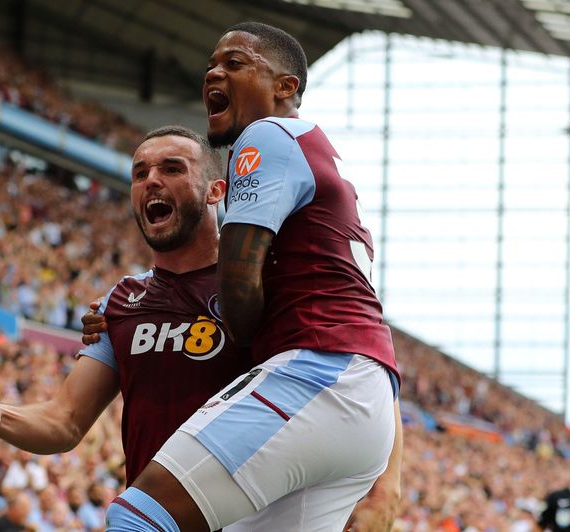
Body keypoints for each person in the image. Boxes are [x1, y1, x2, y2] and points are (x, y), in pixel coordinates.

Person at [0, 126, 402, 530]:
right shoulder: (121, 303)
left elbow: (356, 358)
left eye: (172, 168)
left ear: (215, 191)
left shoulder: (265, 281)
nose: (151, 180)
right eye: (139, 172)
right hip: (160, 519)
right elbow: (65, 420)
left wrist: (387, 486)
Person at [96, 22, 401, 531]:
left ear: (286, 86)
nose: (214, 71)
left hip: (320, 374)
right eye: (211, 64)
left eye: (234, 63)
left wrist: (176, 315)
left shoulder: (268, 136)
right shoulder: (319, 155)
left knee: (138, 514)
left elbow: (236, 290)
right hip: (358, 393)